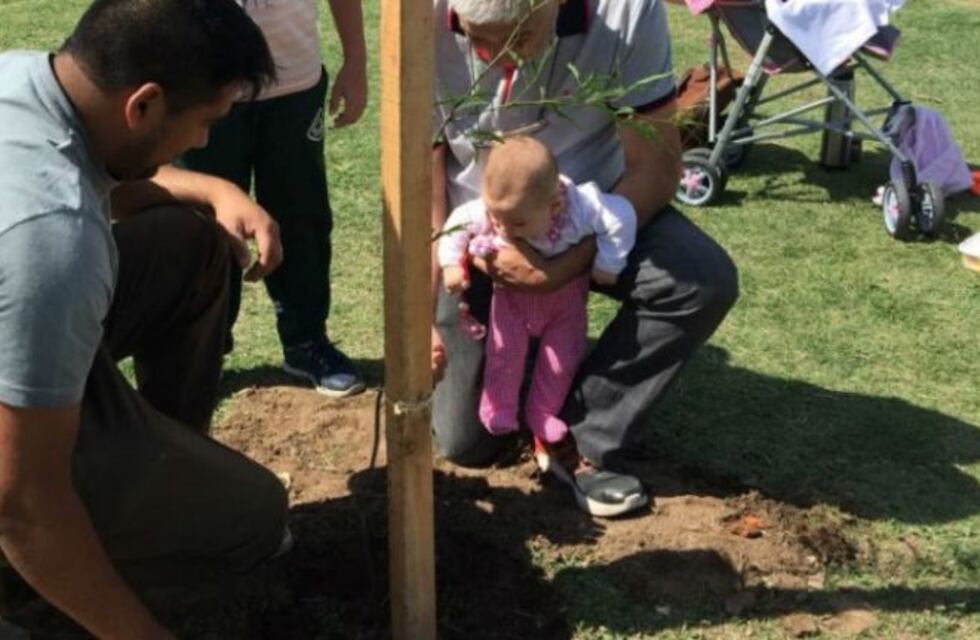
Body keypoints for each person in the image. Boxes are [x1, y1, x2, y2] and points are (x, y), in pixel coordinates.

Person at [0, 1, 291, 637]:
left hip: (25, 345)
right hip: (12, 462)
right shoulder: (53, 241)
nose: (205, 141)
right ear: (144, 105)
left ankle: (154, 463)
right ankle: (23, 592)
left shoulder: (22, 83)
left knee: (193, 246)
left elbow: (103, 173)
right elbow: (19, 503)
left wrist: (216, 191)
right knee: (255, 518)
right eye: (205, 121)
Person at [431, 0, 740, 517]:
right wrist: (429, 304)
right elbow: (421, 169)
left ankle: (581, 437)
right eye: (474, 38)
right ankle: (527, 368)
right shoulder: (417, 13)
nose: (491, 58)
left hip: (595, 207)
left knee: (699, 279)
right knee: (466, 444)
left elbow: (657, 169)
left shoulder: (627, 10)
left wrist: (563, 265)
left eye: (515, 38)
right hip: (477, 226)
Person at [180, 0, 368, 397]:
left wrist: (355, 61)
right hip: (203, 83)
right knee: (203, 223)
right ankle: (202, 353)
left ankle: (306, 341)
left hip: (294, 86)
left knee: (302, 217)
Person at [437, 136, 636, 451]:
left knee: (561, 359)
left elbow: (622, 216)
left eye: (515, 222)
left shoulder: (583, 207)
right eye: (495, 217)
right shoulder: (495, 209)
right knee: (505, 352)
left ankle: (542, 411)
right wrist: (451, 265)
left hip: (565, 303)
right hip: (511, 301)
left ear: (554, 204)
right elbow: (456, 225)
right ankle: (498, 407)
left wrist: (609, 262)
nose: (502, 229)